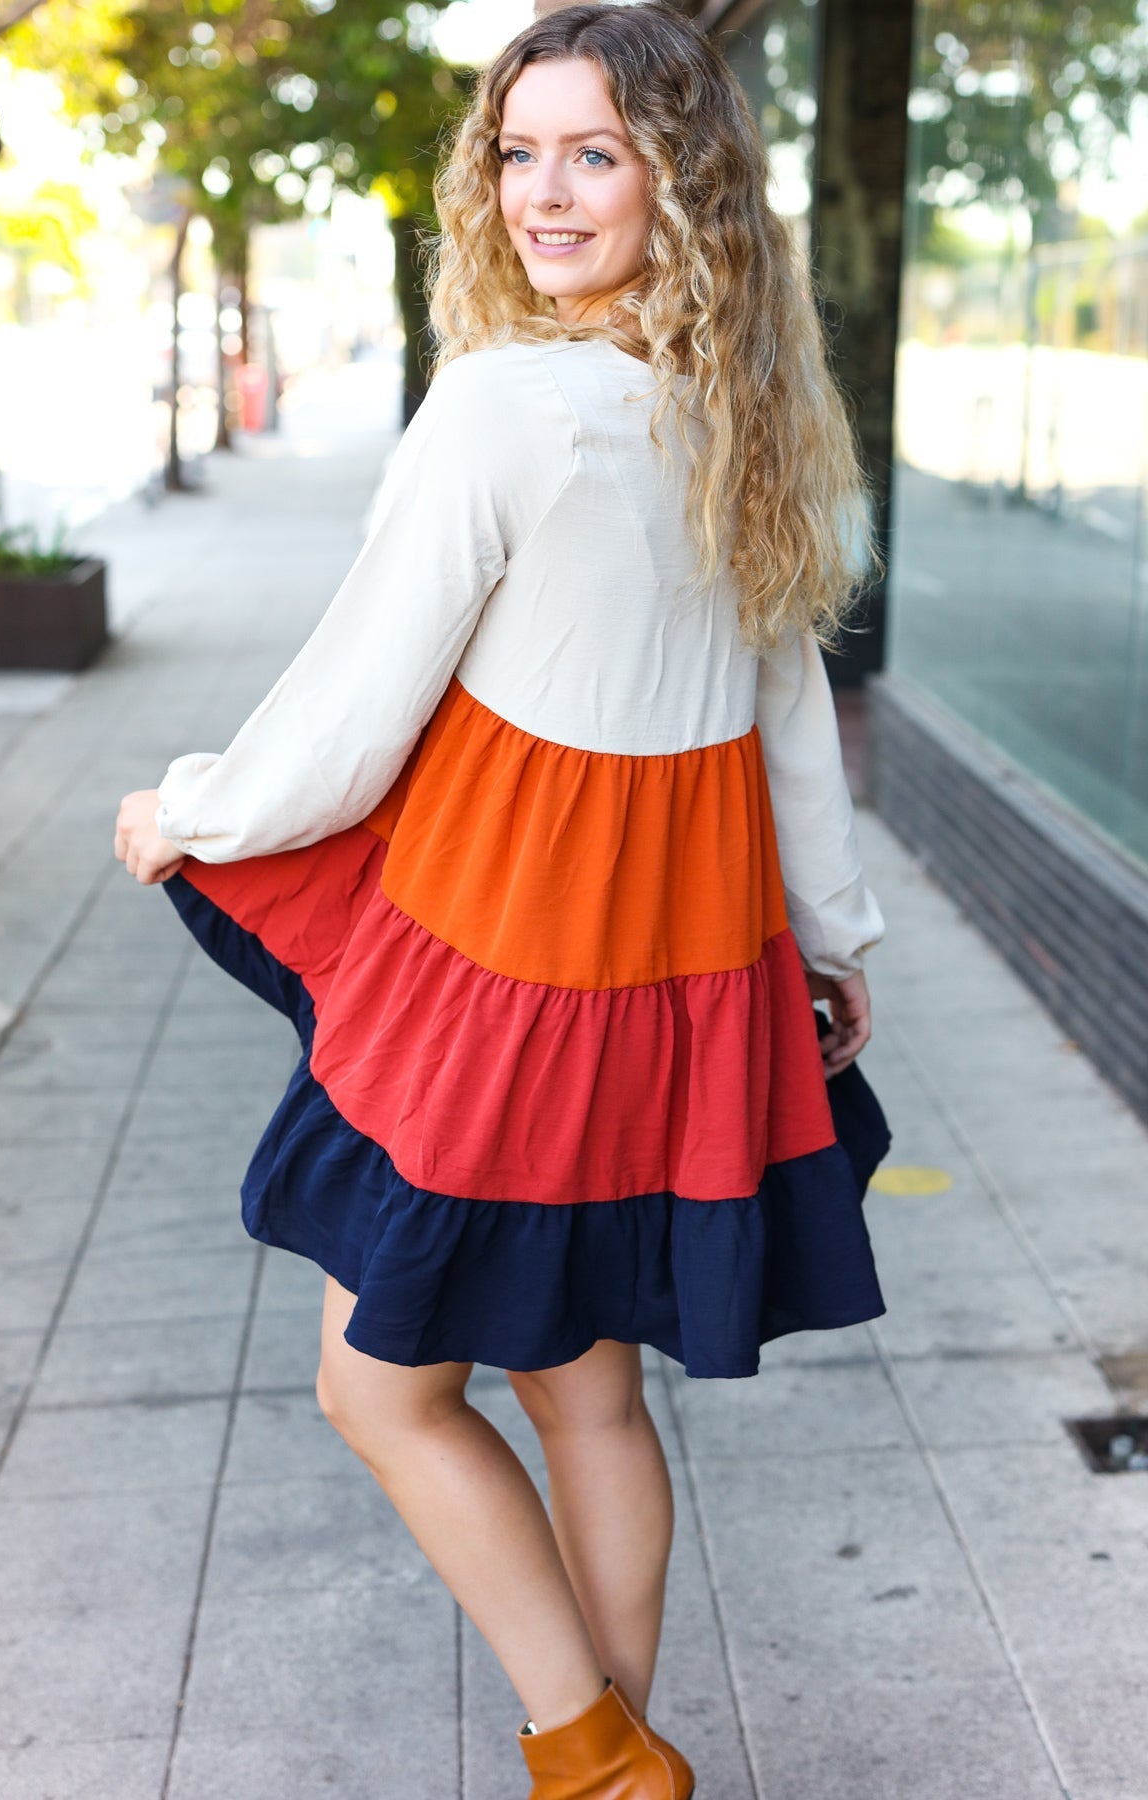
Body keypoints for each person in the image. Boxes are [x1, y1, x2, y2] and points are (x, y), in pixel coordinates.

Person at [113, 5, 891, 1793]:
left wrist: (194, 807)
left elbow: (353, 706)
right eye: (520, 151)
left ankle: (591, 1751)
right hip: (680, 969)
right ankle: (612, 1758)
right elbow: (793, 723)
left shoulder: (504, 404)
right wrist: (836, 946)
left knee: (377, 1388)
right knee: (589, 1389)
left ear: (675, 180)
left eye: (594, 153)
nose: (543, 193)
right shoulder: (749, 407)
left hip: (520, 965)